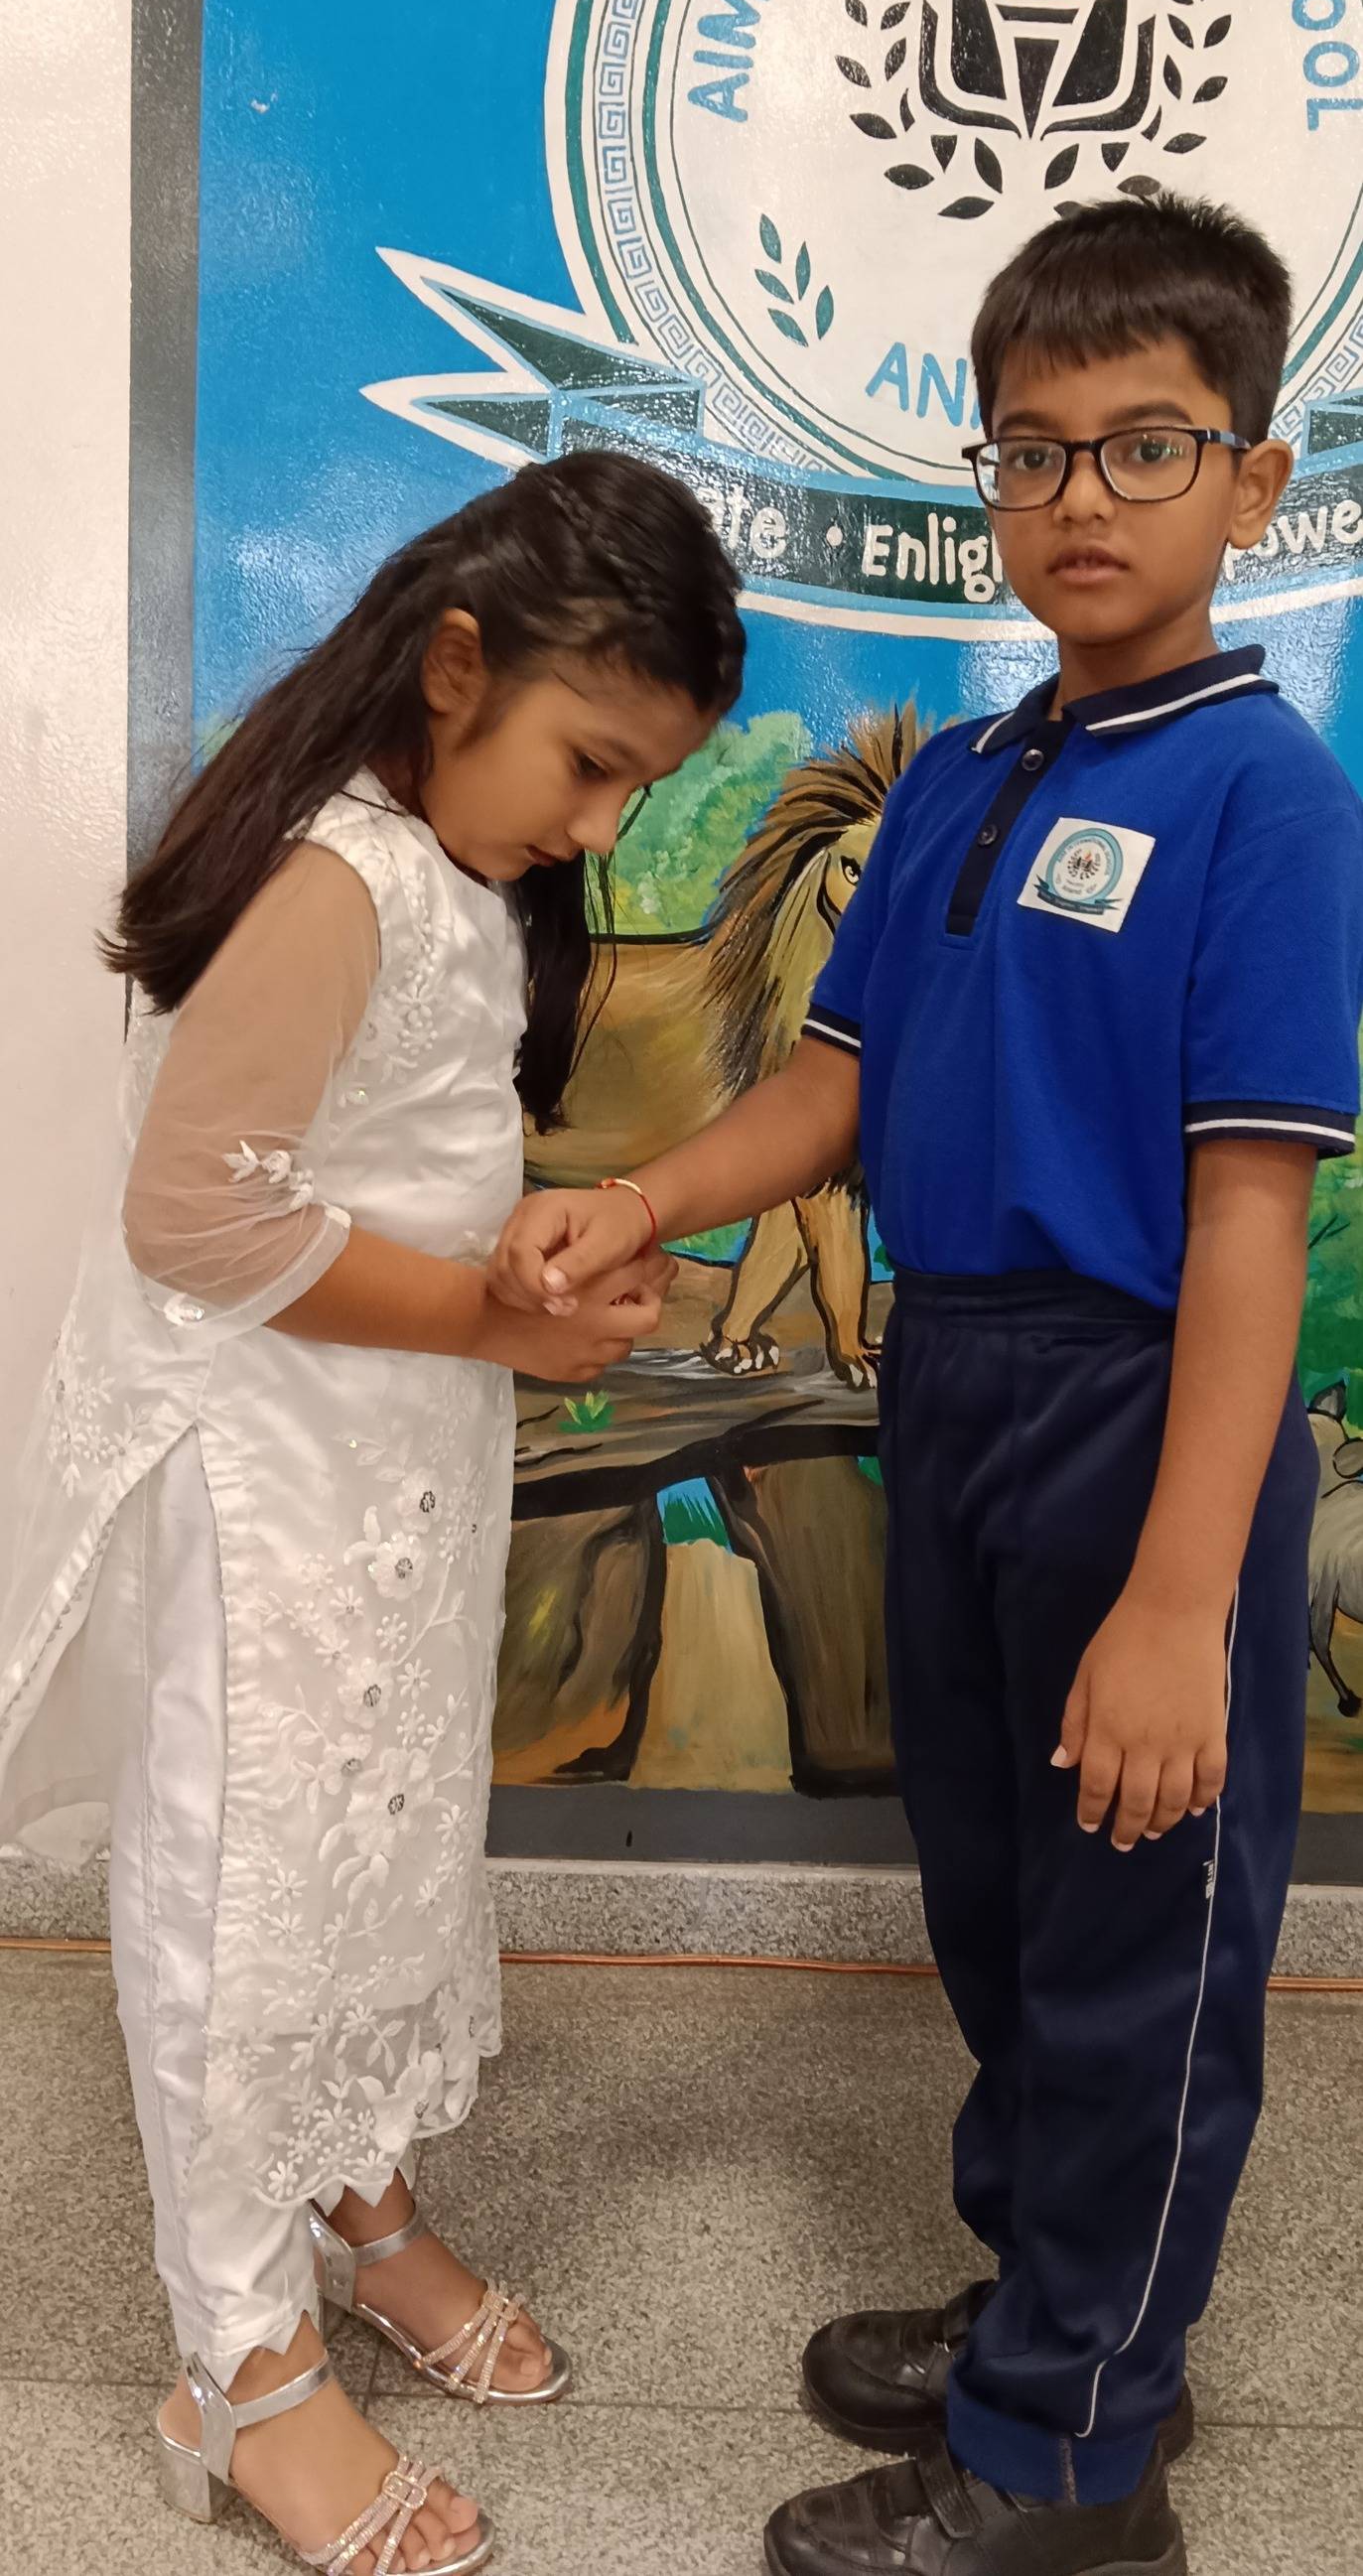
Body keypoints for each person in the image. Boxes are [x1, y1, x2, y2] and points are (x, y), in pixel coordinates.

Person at [489, 197, 1363, 2576]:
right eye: (1033, 449)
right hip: (953, 1378)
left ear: (1253, 479)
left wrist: (1180, 1593)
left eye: (1147, 444)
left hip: (1144, 1404)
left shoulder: (1266, 805)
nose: (1084, 494)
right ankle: (1059, 2305)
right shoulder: (967, 777)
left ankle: (1072, 2460)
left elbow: (1249, 1228)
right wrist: (647, 1197)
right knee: (996, 1901)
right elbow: (833, 1087)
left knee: (1137, 1943)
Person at [0, 451, 743, 2576]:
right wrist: (492, 1318)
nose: (599, 830)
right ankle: (239, 2364)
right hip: (266, 1479)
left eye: (635, 790)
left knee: (374, 1847)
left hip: (387, 1459)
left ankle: (354, 2193)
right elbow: (196, 1215)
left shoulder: (457, 878)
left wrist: (527, 1280)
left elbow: (382, 1167)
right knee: (248, 1885)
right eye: (590, 766)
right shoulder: (337, 873)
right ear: (454, 667)